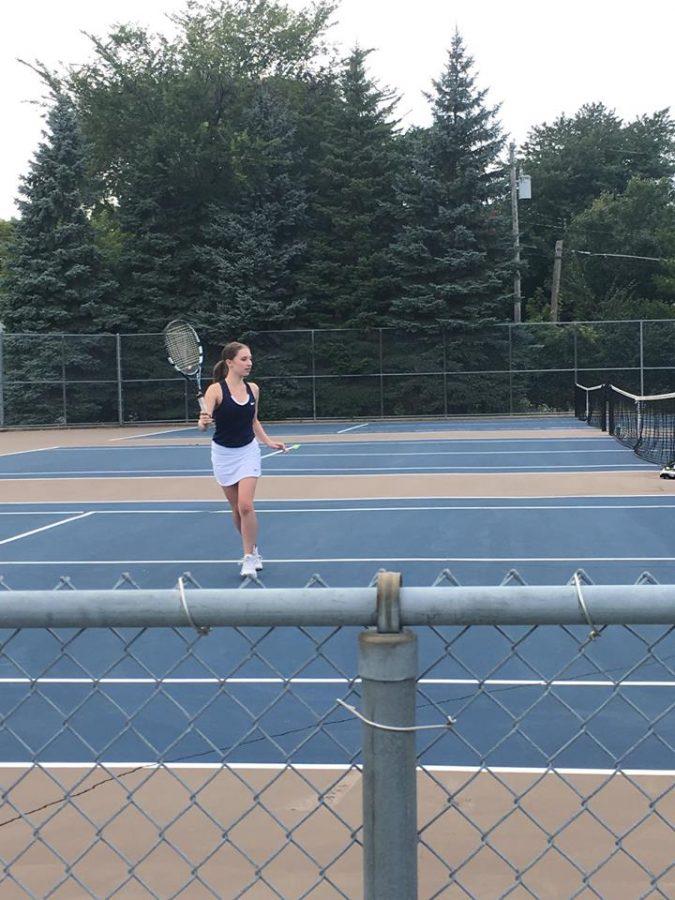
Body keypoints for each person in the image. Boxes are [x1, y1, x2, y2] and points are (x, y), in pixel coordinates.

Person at [197, 341, 286, 577]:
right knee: (236, 510)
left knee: (246, 505)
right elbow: (202, 423)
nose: (249, 363)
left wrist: (268, 442)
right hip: (223, 454)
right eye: (244, 359)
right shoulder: (215, 390)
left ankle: (248, 557)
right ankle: (253, 549)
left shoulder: (253, 389)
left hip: (248, 450)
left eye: (250, 359)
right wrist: (203, 422)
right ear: (230, 363)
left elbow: (253, 421)